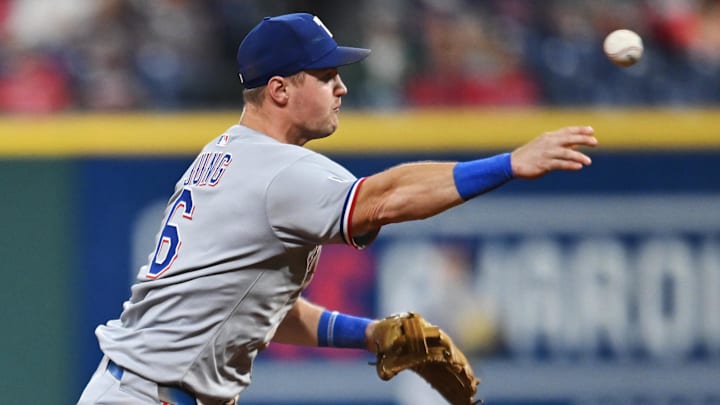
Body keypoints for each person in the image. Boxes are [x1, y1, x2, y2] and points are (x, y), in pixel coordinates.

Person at [77, 12, 597, 405]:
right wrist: (510, 163)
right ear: (279, 89)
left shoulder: (229, 153)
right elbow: (385, 199)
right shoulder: (279, 171)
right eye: (325, 75)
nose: (342, 87)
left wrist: (370, 335)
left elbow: (262, 310)